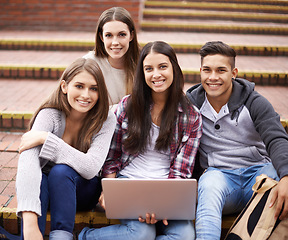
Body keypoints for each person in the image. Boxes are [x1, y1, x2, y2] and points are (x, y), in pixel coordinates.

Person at [78, 41, 203, 240]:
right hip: (130, 185)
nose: (156, 74)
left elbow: (182, 170)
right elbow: (112, 157)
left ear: (174, 69)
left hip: (168, 190)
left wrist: (163, 205)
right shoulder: (127, 106)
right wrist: (109, 191)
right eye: (149, 69)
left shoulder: (191, 115)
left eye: (162, 66)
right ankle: (86, 236)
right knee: (142, 234)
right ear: (142, 73)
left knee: (185, 236)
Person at [186, 41, 288, 240]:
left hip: (258, 174)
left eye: (221, 70)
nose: (213, 77)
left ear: (234, 73)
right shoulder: (191, 105)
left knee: (284, 181)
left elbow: (277, 138)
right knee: (208, 184)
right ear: (200, 72)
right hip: (220, 178)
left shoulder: (254, 102)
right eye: (207, 70)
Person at [15, 58, 116, 240]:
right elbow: (28, 159)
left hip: (83, 190)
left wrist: (48, 139)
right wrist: (29, 223)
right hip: (47, 192)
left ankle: (61, 236)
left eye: (94, 88)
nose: (86, 95)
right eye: (79, 86)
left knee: (60, 171)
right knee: (40, 177)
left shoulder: (105, 119)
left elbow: (91, 167)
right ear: (64, 87)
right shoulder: (49, 115)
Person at [83, 6, 140, 105]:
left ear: (131, 35)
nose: (115, 42)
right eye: (109, 35)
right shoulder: (89, 63)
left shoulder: (143, 64)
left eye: (121, 35)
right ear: (101, 37)